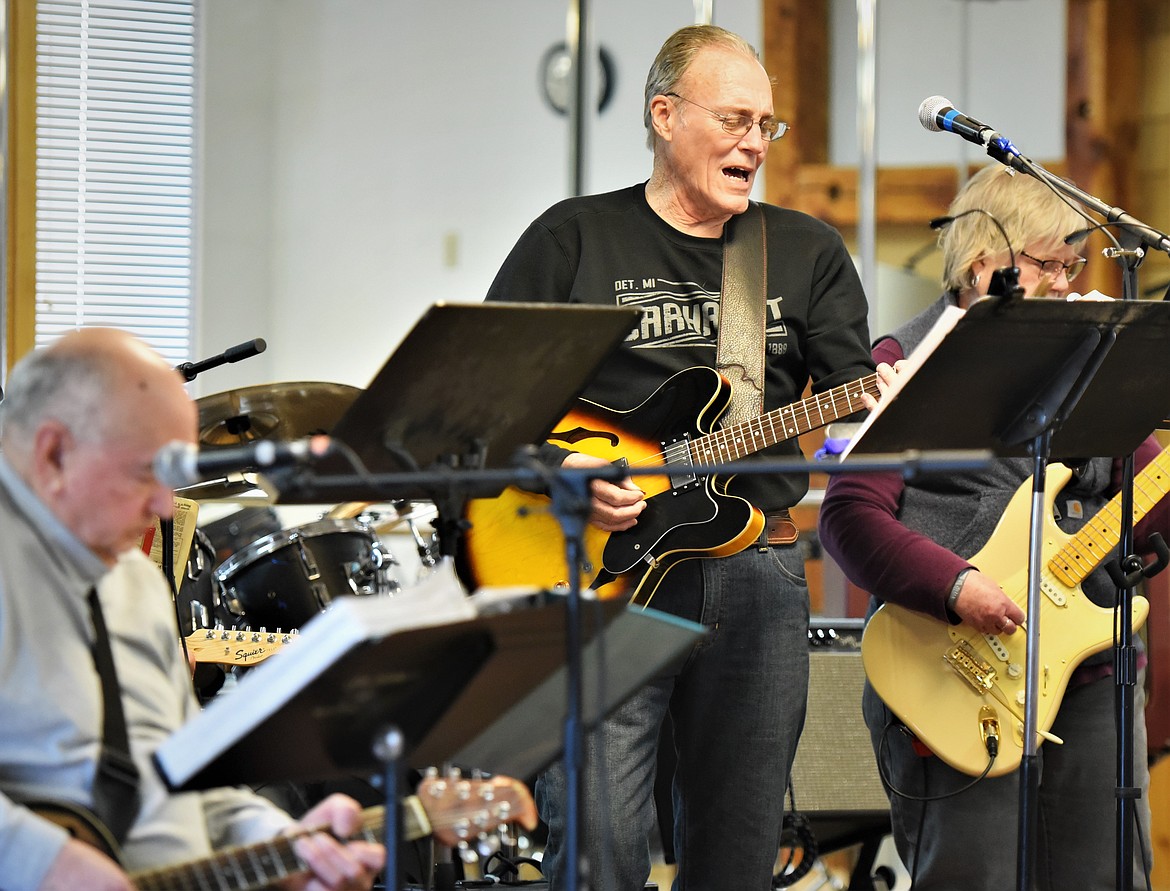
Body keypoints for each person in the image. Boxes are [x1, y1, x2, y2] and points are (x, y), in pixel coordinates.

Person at [484, 24, 875, 890]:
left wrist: (880, 407)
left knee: (738, 848)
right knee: (597, 842)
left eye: (766, 125)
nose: (755, 143)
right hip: (600, 575)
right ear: (665, 114)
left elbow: (857, 404)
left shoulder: (805, 251)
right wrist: (562, 471)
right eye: (736, 118)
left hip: (757, 570)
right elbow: (485, 403)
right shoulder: (573, 238)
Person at [817, 162, 1169, 889]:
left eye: (1075, 263)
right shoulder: (903, 361)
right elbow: (850, 518)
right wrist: (958, 584)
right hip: (955, 667)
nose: (1068, 282)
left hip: (1091, 671)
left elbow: (1151, 505)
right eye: (1050, 264)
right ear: (986, 264)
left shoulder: (1087, 357)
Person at [0, 327, 385, 891]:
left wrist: (283, 848)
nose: (165, 506)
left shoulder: (134, 583)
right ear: (54, 453)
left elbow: (188, 778)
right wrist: (40, 861)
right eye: (145, 472)